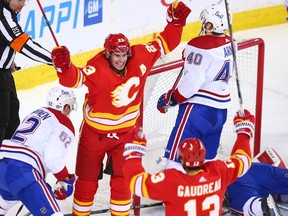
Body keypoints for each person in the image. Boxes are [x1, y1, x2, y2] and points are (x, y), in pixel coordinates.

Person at [50, 1, 191, 215]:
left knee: (123, 183)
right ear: (107, 54)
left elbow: (165, 42)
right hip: (94, 135)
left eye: (124, 55)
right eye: (117, 55)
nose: (121, 59)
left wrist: (177, 24)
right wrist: (63, 67)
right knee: (86, 185)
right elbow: (73, 79)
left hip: (125, 134)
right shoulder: (96, 67)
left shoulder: (140, 55)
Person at [123, 109, 255, 216]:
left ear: (180, 158)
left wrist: (134, 152)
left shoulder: (172, 181)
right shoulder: (218, 171)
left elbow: (136, 182)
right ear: (204, 156)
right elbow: (243, 161)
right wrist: (244, 132)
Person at [157, 3, 236, 171]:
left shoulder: (198, 45)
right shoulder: (232, 43)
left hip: (197, 111)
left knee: (176, 160)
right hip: (220, 112)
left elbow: (191, 85)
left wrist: (171, 99)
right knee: (208, 163)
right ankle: (207, 195)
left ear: (209, 24)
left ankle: (173, 197)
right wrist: (191, 57)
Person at [0, 86, 77, 216]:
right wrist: (65, 179)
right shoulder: (63, 122)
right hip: (23, 172)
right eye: (69, 106)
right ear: (66, 106)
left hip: (3, 167)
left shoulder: (36, 112)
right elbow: (52, 157)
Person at [0, 0, 53, 144]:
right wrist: (54, 59)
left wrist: (7, 59)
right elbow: (25, 45)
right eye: (19, 0)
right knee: (3, 122)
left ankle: (9, 160)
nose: (23, 3)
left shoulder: (8, 11)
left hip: (5, 74)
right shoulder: (3, 17)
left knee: (12, 121)